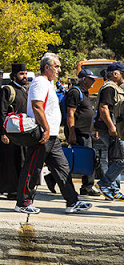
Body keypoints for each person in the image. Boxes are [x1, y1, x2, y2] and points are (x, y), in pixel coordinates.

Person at [15, 53, 92, 214]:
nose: (59, 69)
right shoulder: (40, 82)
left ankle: (72, 201)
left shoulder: (49, 84)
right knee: (32, 168)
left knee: (63, 168)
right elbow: (37, 106)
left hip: (52, 136)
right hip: (43, 134)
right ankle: (23, 203)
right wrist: (46, 128)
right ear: (47, 67)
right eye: (56, 66)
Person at [57, 68, 100, 197]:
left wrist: (93, 130)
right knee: (82, 159)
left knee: (86, 159)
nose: (93, 81)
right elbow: (71, 113)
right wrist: (71, 133)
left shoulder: (85, 92)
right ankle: (87, 187)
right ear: (84, 79)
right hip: (77, 131)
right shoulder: (75, 92)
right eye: (91, 79)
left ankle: (86, 186)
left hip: (86, 132)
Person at [0, 63, 29, 199]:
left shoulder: (25, 91)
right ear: (14, 76)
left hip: (22, 134)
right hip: (10, 134)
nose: (24, 76)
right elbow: (0, 113)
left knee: (21, 161)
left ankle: (20, 189)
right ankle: (11, 190)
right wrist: (2, 133)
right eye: (21, 74)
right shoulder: (7, 90)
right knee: (10, 163)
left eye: (25, 74)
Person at [95, 62, 124, 200]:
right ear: (115, 74)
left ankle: (114, 189)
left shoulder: (115, 88)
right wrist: (111, 127)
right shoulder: (109, 88)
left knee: (115, 158)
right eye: (122, 74)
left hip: (112, 129)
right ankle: (104, 183)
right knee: (121, 157)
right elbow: (103, 108)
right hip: (109, 129)